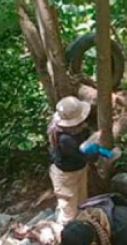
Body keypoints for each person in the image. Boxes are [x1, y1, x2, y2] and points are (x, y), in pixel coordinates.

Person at [48, 96, 117, 224]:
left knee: (82, 202)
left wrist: (93, 141)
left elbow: (85, 138)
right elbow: (83, 155)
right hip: (65, 176)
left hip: (79, 168)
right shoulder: (64, 139)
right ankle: (66, 233)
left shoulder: (77, 129)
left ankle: (82, 227)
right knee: (69, 210)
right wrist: (97, 152)